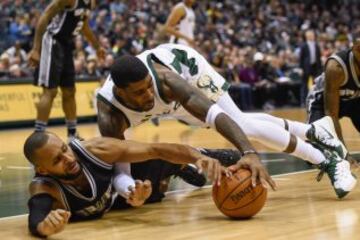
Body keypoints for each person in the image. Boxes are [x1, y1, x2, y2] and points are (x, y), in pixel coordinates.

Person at [96, 43, 356, 200]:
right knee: (242, 121)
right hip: (170, 105)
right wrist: (132, 190)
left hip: (188, 71)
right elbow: (122, 170)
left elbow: (216, 115)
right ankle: (313, 130)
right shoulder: (110, 114)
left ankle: (326, 160)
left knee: (239, 125)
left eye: (149, 87)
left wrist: (250, 152)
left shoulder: (166, 81)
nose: (148, 95)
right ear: (121, 93)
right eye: (140, 93)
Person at [24, 131, 224, 237]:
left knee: (160, 160)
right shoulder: (45, 187)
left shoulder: (96, 149)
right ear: (42, 170)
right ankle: (167, 178)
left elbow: (155, 148)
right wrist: (45, 228)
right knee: (151, 194)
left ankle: (183, 166)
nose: (68, 158)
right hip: (117, 202)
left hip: (122, 183)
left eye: (65, 149)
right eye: (57, 160)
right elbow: (36, 219)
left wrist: (198, 157)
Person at [28, 0, 106, 141]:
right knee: (50, 91)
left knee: (70, 91)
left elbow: (85, 27)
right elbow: (45, 16)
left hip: (67, 45)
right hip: (52, 42)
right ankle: (38, 135)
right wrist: (35, 49)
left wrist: (97, 47)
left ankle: (72, 134)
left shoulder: (90, 4)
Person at [307, 34, 360, 163]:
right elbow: (331, 114)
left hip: (354, 100)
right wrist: (343, 153)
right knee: (316, 155)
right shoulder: (336, 68)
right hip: (322, 103)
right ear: (356, 49)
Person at [299, 29, 322, 106]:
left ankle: (314, 100)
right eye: (310, 35)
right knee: (304, 85)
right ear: (307, 36)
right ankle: (303, 102)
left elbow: (318, 57)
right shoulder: (303, 45)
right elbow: (301, 58)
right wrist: (301, 68)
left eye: (313, 35)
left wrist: (320, 67)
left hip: (315, 66)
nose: (312, 36)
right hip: (306, 67)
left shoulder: (316, 45)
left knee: (315, 84)